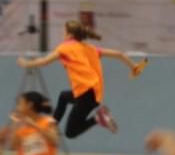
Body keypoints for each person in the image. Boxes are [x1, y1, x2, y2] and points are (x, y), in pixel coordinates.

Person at [17, 20, 145, 139]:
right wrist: (133, 66)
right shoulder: (89, 48)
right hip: (93, 93)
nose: (63, 34)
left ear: (70, 35)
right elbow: (119, 54)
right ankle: (53, 126)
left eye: (64, 32)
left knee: (70, 132)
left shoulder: (65, 47)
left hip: (86, 94)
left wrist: (26, 63)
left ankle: (98, 118)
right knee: (64, 96)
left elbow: (45, 61)